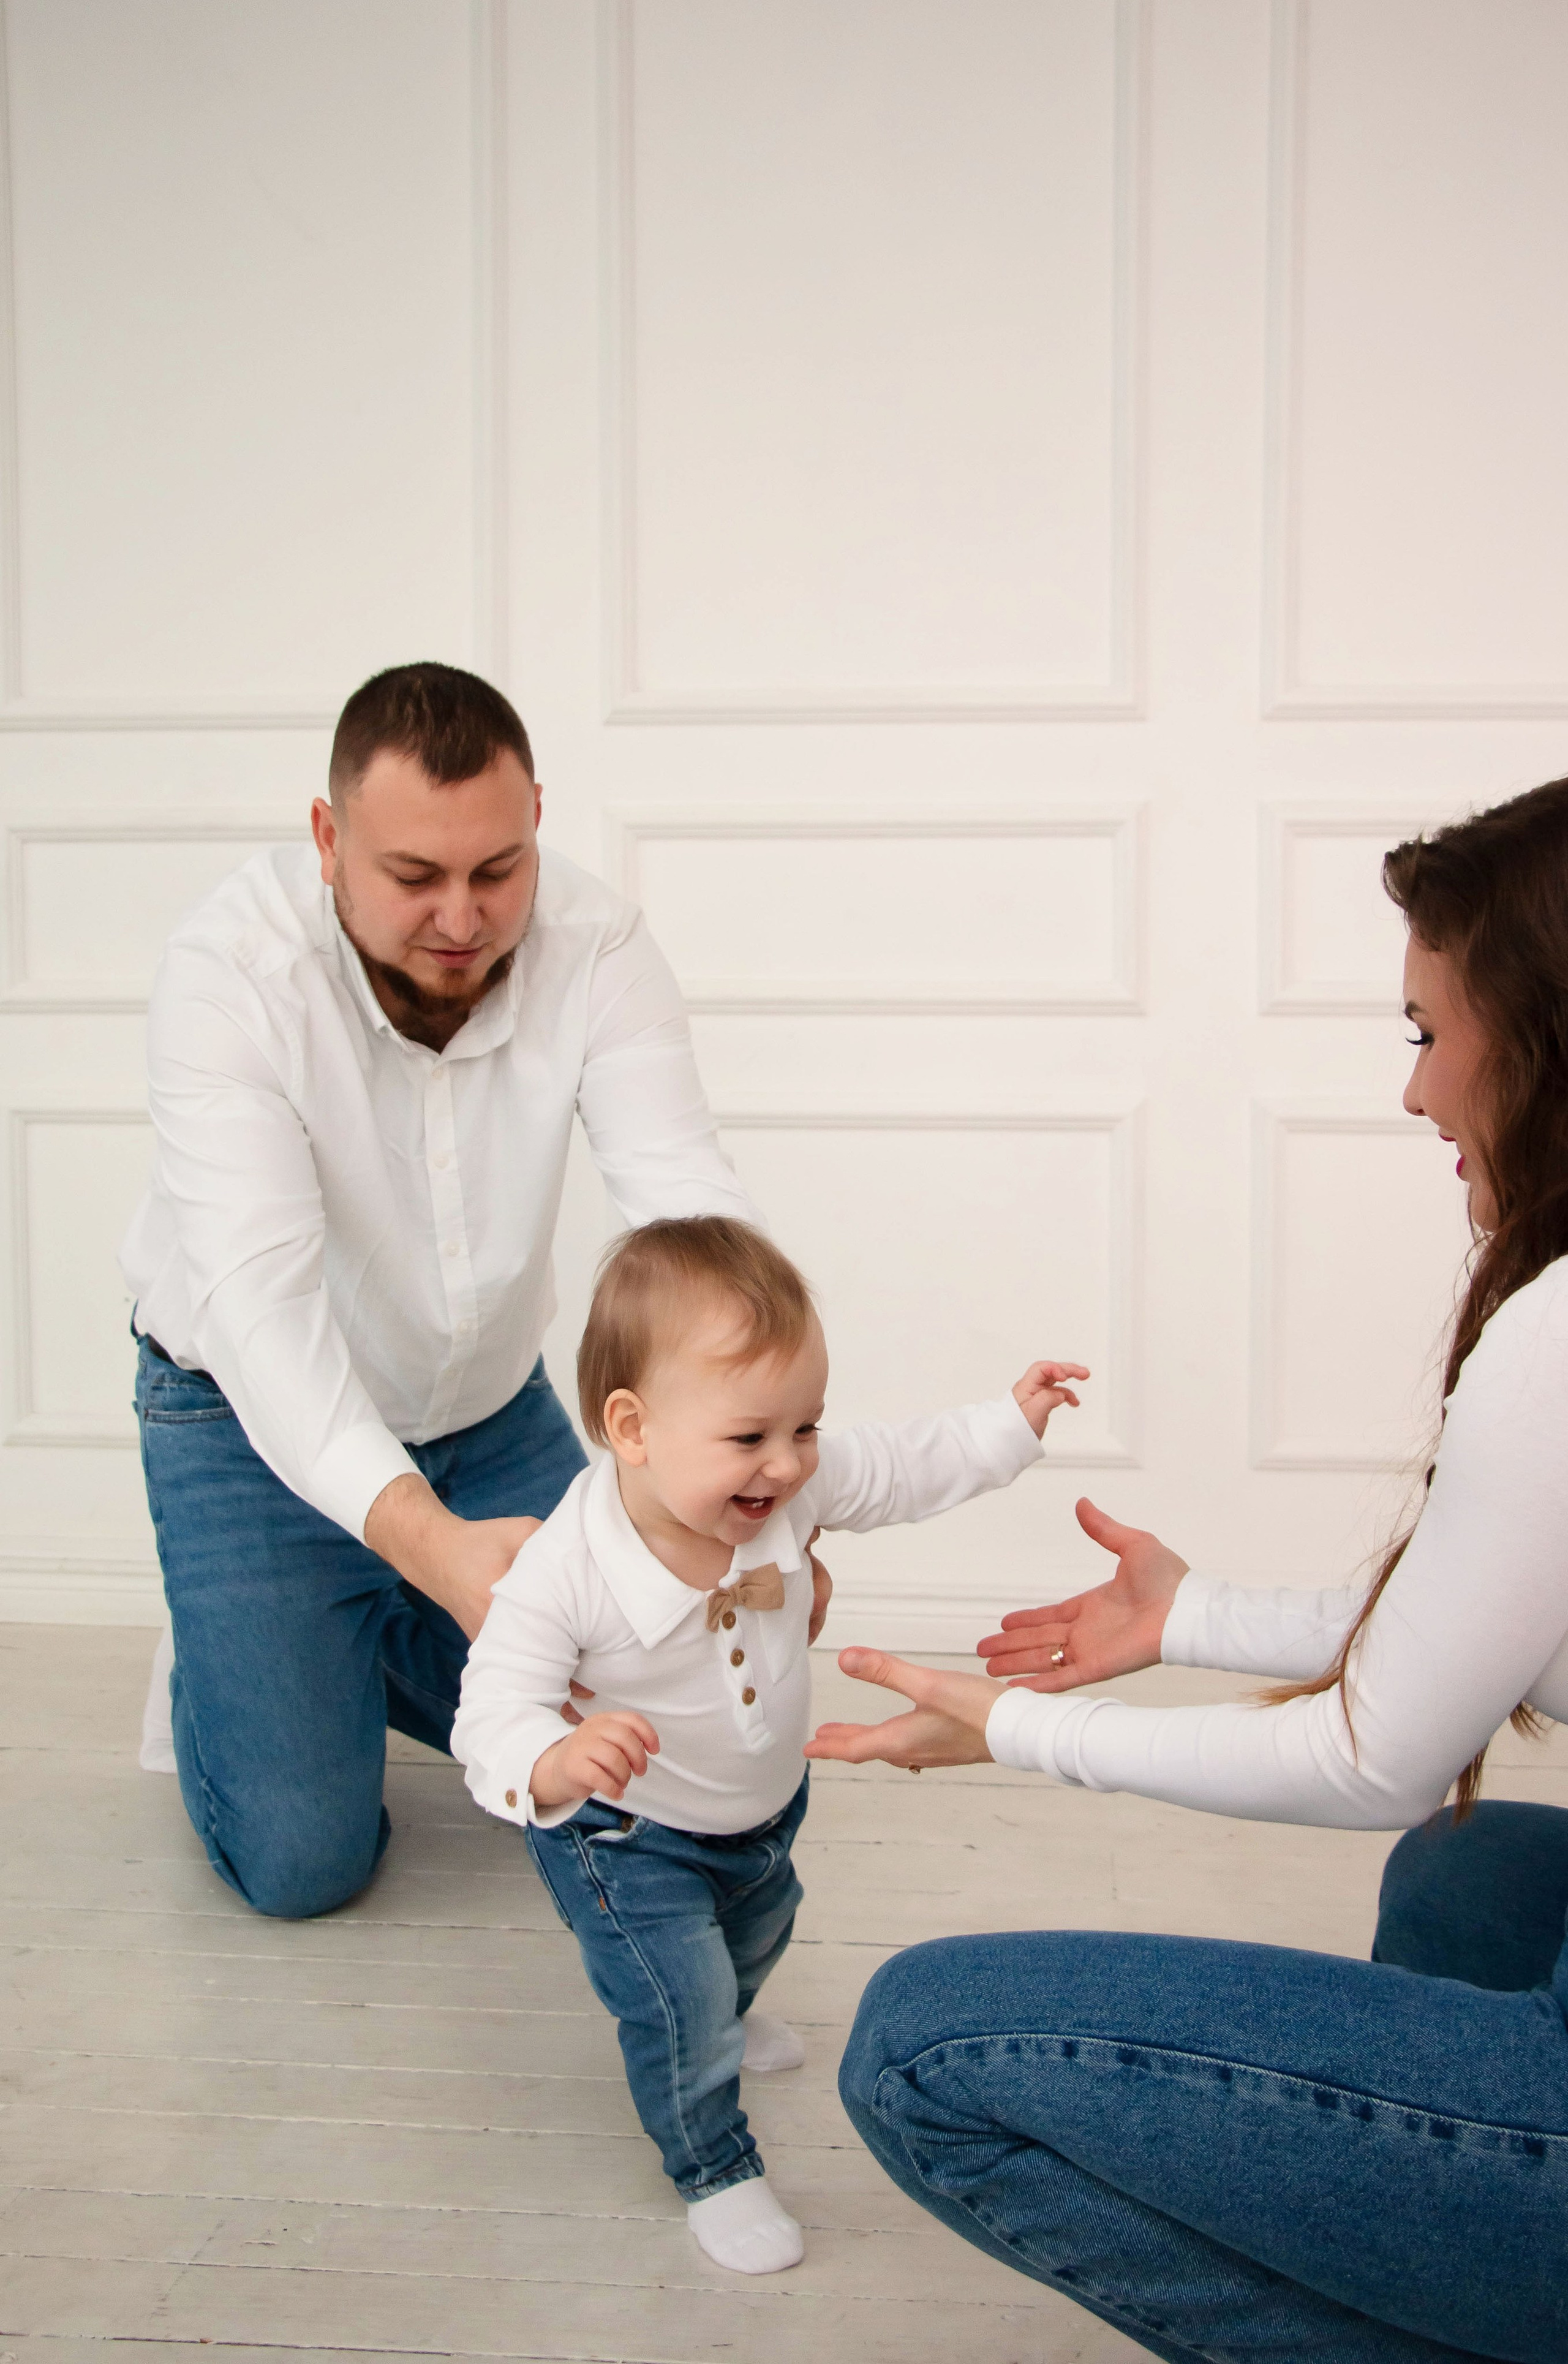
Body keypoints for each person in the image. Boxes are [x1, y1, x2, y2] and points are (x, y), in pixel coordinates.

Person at [805, 780, 1568, 2360]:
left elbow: (1369, 1754)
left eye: (1427, 1032)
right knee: (1459, 1879)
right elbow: (1478, 1623)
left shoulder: (1555, 1337)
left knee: (914, 2049)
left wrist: (1009, 1730)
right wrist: (1191, 1614)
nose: (1416, 1093)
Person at [121, 662, 761, 1921]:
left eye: (497, 869)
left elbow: (688, 1221)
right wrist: (439, 1556)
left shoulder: (598, 941)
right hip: (243, 1418)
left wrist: (761, 1472)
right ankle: (244, 1647)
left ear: (535, 820)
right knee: (306, 1866)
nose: (462, 917)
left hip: (482, 1401)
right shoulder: (226, 975)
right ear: (326, 837)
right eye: (414, 877)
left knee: (672, 1739)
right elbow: (267, 1321)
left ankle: (336, 1628)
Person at [451, 1214, 1086, 2276]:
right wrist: (554, 1763)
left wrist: (1006, 1426)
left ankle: (728, 2017)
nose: (788, 1465)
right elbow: (492, 1705)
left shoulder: (789, 1482)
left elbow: (901, 1465)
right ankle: (713, 2164)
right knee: (680, 2000)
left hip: (759, 1812)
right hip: (626, 1838)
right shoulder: (568, 1566)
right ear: (633, 1427)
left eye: (806, 1428)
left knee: (761, 1930)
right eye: (751, 1438)